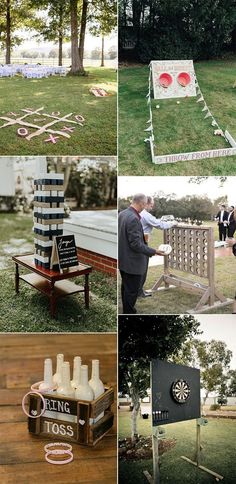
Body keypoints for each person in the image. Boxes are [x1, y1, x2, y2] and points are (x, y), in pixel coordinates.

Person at [118, 193, 165, 314]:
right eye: (144, 204)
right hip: (132, 262)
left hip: (123, 260)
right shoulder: (133, 218)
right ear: (141, 203)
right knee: (131, 291)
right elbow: (136, 245)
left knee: (126, 288)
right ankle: (129, 312)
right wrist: (154, 251)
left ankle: (127, 309)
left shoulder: (122, 214)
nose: (145, 207)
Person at [138, 196, 177, 297]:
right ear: (146, 204)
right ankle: (139, 291)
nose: (152, 207)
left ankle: (137, 290)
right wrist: (173, 223)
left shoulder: (140, 213)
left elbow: (156, 221)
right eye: (151, 205)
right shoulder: (145, 214)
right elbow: (160, 225)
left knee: (139, 267)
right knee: (142, 268)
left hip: (139, 241)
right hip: (142, 243)